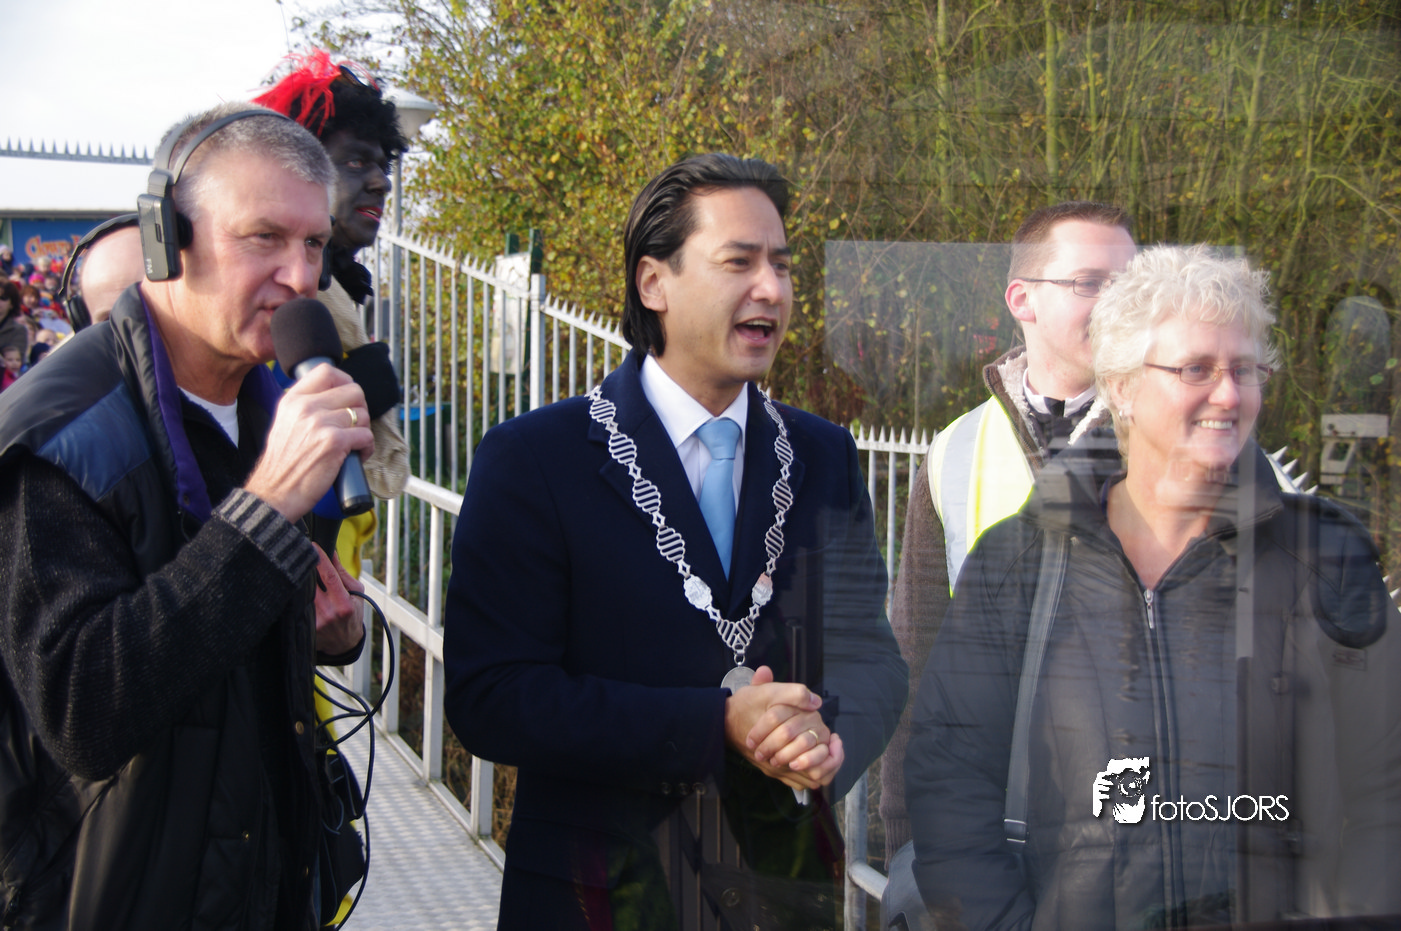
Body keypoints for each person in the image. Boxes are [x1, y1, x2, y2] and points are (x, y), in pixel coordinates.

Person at [443, 153, 907, 930]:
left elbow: (874, 661)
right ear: (653, 282)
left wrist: (825, 740)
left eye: (782, 265)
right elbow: (491, 696)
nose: (771, 289)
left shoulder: (823, 455)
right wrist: (712, 725)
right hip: (596, 898)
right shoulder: (535, 458)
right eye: (739, 262)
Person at [905, 245, 1401, 929]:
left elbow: (1384, 791)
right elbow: (951, 783)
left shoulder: (1326, 560)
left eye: (1244, 370)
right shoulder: (1019, 562)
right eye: (1195, 368)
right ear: (1123, 387)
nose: (1228, 394)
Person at [0, 102, 371, 930]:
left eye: (315, 243)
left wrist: (330, 631)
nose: (301, 277)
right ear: (166, 238)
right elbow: (83, 713)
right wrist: (267, 507)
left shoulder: (269, 402)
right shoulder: (62, 436)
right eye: (264, 237)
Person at [879, 202, 1135, 879]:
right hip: (987, 830)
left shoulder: (1174, 437)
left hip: (1132, 830)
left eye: (1129, 285)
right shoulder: (955, 449)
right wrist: (904, 836)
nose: (1117, 305)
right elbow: (918, 653)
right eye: (1090, 283)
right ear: (1022, 300)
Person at [254, 49, 410, 506]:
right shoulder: (267, 299)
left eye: (383, 166)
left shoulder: (338, 296)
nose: (382, 182)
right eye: (356, 163)